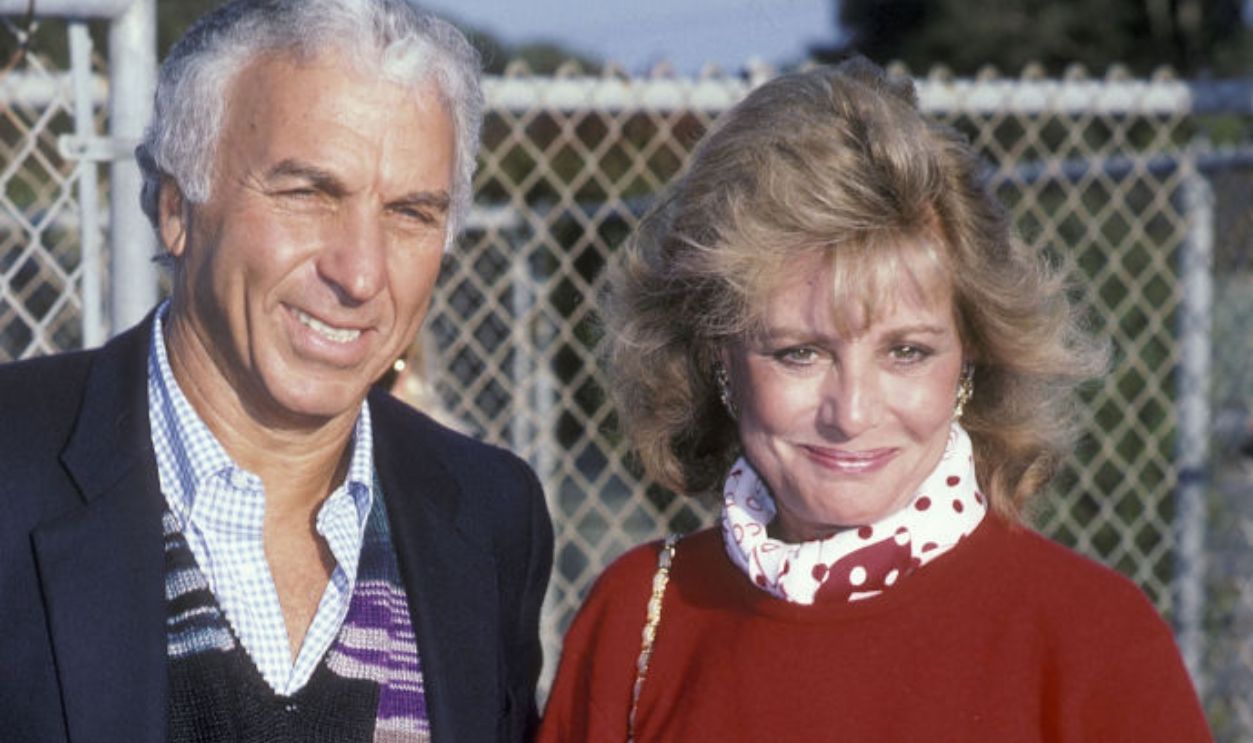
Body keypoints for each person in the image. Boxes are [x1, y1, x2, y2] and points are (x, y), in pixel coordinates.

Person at [537, 58, 1211, 742]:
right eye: (799, 352)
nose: (852, 412)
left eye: (906, 351)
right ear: (719, 359)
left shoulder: (1092, 639)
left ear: (971, 356)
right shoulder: (633, 617)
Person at [0, 1, 552, 741]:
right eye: (308, 194)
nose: (360, 272)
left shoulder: (490, 514)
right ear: (176, 206)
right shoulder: (14, 467)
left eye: (410, 214)